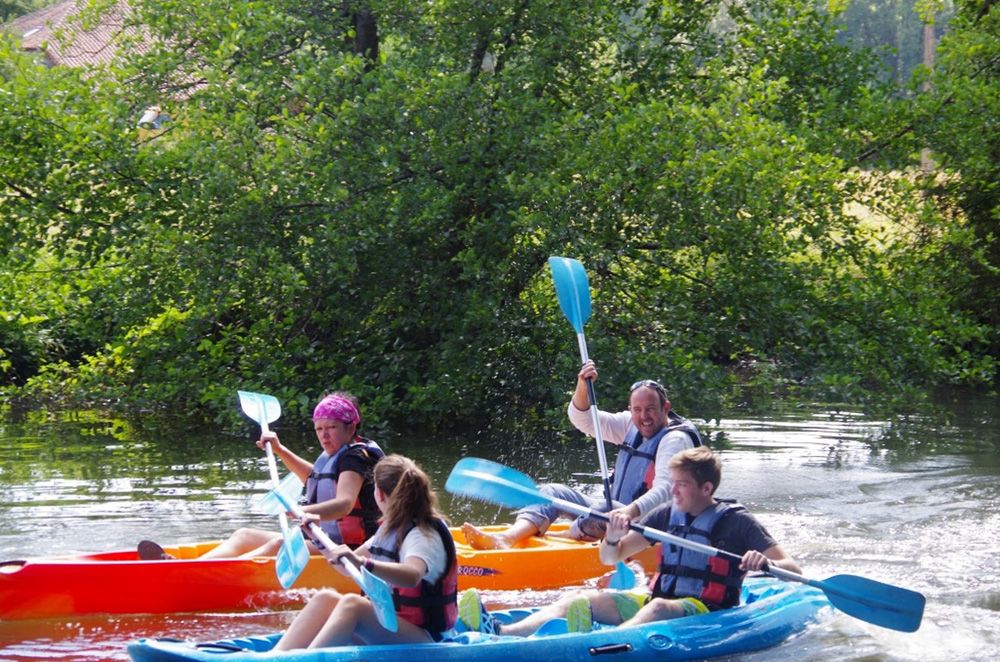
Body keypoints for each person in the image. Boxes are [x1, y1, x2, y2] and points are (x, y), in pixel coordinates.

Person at [458, 446, 800, 636]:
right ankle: (502, 633)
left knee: (658, 607)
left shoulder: (737, 523)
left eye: (680, 484)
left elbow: (791, 567)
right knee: (583, 598)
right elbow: (611, 557)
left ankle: (602, 644)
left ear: (706, 489)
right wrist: (613, 535)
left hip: (707, 610)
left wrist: (765, 563)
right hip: (658, 599)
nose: (673, 490)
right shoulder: (667, 515)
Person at [462, 360, 702, 550]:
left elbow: (664, 492)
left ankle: (563, 535)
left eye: (650, 409)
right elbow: (582, 419)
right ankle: (508, 537)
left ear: (666, 408)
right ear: (631, 409)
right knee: (551, 492)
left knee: (603, 509)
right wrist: (582, 386)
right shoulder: (630, 424)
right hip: (614, 513)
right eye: (637, 410)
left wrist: (628, 512)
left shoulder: (674, 440)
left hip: (649, 527)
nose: (644, 417)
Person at [137, 392, 383, 560]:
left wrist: (303, 512)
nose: (324, 436)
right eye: (319, 429)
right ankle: (189, 567)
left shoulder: (355, 457)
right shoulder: (337, 454)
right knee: (244, 535)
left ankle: (207, 574)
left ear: (350, 428)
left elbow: (344, 504)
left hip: (353, 549)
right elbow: (314, 478)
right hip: (325, 538)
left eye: (331, 428)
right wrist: (279, 449)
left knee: (279, 545)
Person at [274, 454, 458, 649]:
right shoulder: (391, 527)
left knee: (353, 605)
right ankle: (275, 657)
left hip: (429, 639)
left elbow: (412, 575)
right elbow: (345, 568)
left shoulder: (422, 534)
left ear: (379, 494)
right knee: (325, 598)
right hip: (395, 626)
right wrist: (314, 534)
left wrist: (364, 563)